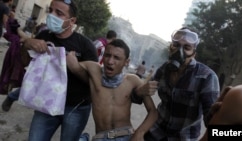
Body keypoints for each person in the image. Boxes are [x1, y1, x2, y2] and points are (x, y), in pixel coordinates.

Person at [21, 0, 98, 141]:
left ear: (72, 21)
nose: (51, 15)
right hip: (46, 104)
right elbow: (24, 62)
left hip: (75, 108)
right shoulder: (43, 37)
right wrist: (27, 44)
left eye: (59, 13)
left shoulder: (86, 45)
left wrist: (76, 68)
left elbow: (95, 83)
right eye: (50, 10)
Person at [66, 39, 158, 141]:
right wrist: (72, 63)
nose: (110, 61)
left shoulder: (132, 80)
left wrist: (139, 133)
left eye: (117, 58)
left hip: (127, 136)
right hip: (101, 137)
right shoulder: (93, 70)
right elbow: (70, 64)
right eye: (107, 55)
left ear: (126, 62)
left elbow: (153, 112)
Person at [144, 27, 220, 141]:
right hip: (155, 133)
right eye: (176, 45)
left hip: (183, 138)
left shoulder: (207, 76)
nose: (180, 51)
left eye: (187, 47)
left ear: (194, 54)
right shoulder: (164, 69)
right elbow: (141, 93)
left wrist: (221, 115)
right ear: (170, 48)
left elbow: (211, 120)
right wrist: (142, 89)